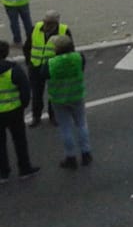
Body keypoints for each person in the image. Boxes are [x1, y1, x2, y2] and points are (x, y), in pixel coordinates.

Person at [47, 34, 91, 170]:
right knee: (81, 124)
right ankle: (86, 153)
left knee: (65, 128)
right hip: (77, 95)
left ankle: (70, 157)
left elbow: (43, 75)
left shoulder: (51, 62)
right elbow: (81, 68)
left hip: (59, 98)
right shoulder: (79, 57)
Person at [24, 10, 70, 127]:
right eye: (45, 22)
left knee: (54, 93)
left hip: (53, 67)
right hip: (36, 66)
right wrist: (29, 61)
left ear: (56, 23)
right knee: (36, 93)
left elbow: (69, 50)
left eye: (50, 24)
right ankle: (36, 116)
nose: (46, 26)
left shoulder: (63, 31)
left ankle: (53, 115)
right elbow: (27, 46)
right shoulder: (36, 28)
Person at [0, 40, 38, 180]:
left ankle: (3, 172)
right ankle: (24, 168)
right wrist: (23, 105)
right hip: (14, 111)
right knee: (19, 141)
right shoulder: (14, 70)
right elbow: (25, 90)